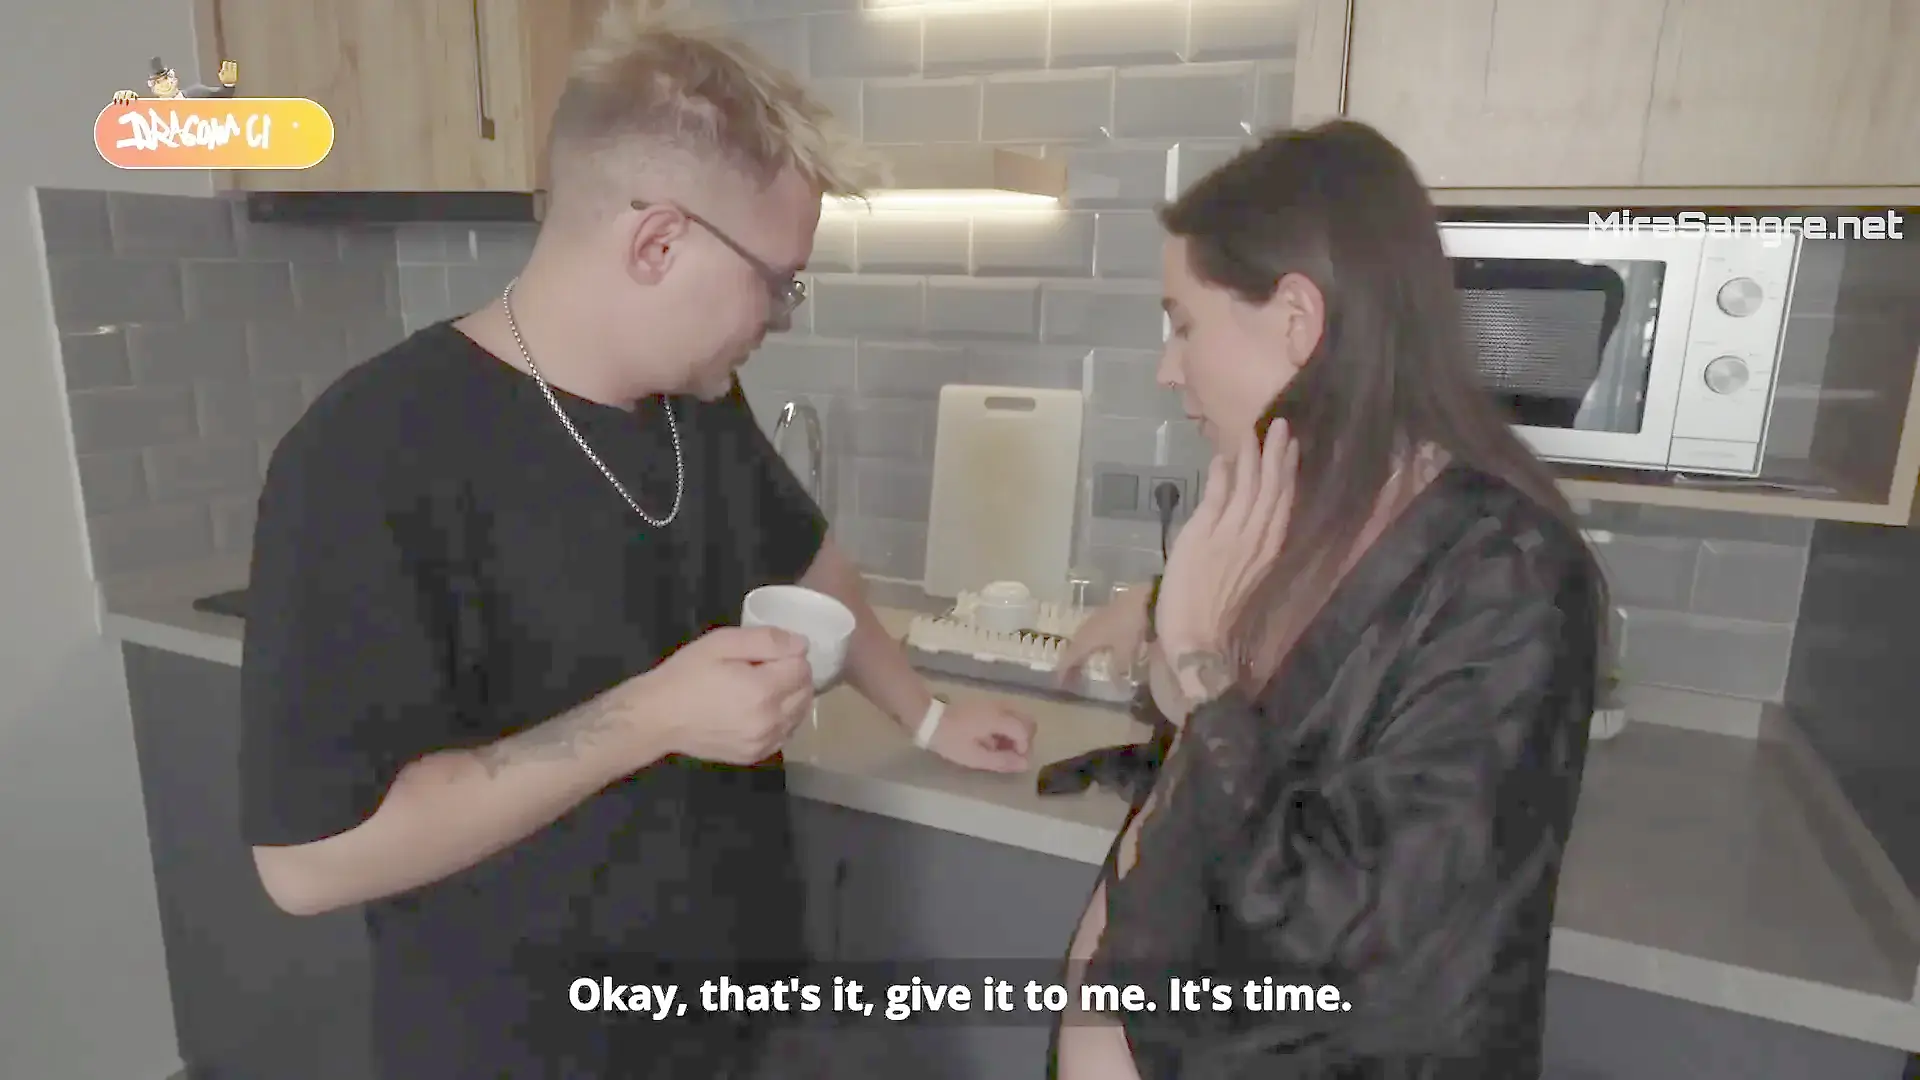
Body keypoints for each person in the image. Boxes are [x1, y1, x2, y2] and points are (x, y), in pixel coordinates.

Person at [236, 7, 1035, 1078]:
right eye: (779, 280)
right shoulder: (368, 455)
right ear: (658, 242)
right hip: (527, 1049)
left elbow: (803, 559)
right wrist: (651, 716)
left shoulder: (695, 402)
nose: (784, 314)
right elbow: (308, 864)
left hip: (727, 1020)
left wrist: (925, 712)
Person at [1048, 119, 1608, 1079]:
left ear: (1297, 323)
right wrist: (1165, 620)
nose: (1169, 368)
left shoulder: (1512, 576)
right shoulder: (1302, 520)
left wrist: (1199, 670)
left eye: (1184, 324)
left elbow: (1358, 940)